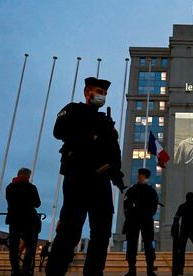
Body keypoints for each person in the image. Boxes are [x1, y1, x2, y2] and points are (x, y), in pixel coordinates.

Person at [46, 77, 126, 276]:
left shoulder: (105, 121)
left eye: (105, 93)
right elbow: (59, 132)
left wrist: (116, 173)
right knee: (70, 230)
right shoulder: (73, 110)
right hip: (78, 176)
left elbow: (114, 151)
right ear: (87, 92)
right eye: (99, 91)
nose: (102, 96)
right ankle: (55, 271)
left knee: (102, 232)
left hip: (101, 181)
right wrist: (91, 139)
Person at [5, 168, 41, 276]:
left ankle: (15, 270)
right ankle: (26, 269)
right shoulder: (31, 187)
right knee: (30, 245)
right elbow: (37, 203)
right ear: (26, 176)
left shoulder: (10, 187)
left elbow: (9, 201)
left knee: (14, 246)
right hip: (28, 220)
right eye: (29, 176)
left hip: (14, 219)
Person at [123, 168, 158, 276]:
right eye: (139, 175)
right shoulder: (132, 190)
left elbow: (154, 206)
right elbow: (126, 205)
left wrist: (147, 213)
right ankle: (131, 270)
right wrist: (129, 215)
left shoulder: (151, 191)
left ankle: (150, 270)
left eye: (141, 175)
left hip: (146, 219)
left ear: (146, 177)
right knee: (131, 245)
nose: (139, 177)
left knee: (148, 244)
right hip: (133, 220)